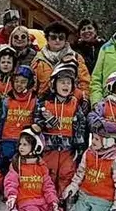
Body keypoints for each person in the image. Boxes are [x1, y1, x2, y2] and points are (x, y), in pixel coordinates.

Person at [34, 63, 88, 197]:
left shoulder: (75, 104)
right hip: (49, 147)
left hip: (68, 149)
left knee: (66, 173)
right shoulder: (45, 104)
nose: (65, 86)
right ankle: (48, 197)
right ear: (53, 84)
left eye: (68, 83)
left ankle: (63, 198)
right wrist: (44, 123)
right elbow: (36, 120)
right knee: (48, 172)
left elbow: (80, 125)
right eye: (62, 82)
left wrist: (79, 146)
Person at [63, 121, 116, 211]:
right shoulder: (89, 153)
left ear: (109, 141)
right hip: (85, 193)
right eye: (92, 137)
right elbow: (80, 173)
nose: (93, 141)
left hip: (103, 198)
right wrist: (73, 186)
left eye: (97, 139)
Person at [4, 129, 62, 211]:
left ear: (36, 147)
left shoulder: (41, 165)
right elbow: (11, 182)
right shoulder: (17, 164)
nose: (20, 147)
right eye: (20, 144)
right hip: (26, 201)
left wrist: (53, 202)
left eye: (25, 145)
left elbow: (48, 186)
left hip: (40, 200)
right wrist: (12, 196)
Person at [31, 21, 91, 97]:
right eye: (53, 37)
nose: (57, 40)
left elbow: (84, 82)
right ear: (47, 39)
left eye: (61, 38)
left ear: (66, 40)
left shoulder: (76, 57)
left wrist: (84, 99)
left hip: (71, 102)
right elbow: (32, 85)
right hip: (44, 103)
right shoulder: (38, 59)